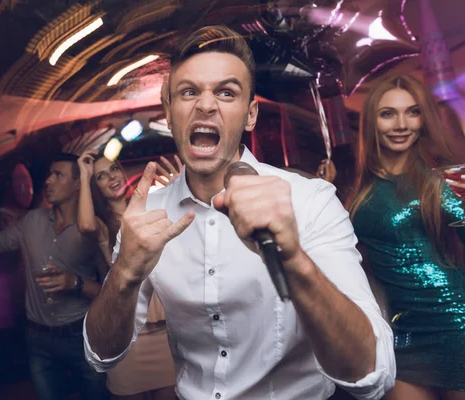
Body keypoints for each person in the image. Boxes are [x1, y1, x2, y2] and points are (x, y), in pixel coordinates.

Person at [83, 25, 395, 400]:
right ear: (169, 112)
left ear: (250, 116)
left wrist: (294, 259)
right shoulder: (145, 215)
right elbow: (100, 355)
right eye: (188, 92)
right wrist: (124, 274)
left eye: (226, 92)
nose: (205, 105)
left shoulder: (310, 200)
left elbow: (371, 376)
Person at [348, 74, 465, 400]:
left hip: (455, 322)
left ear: (423, 118)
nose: (401, 124)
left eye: (411, 112)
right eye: (388, 114)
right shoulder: (359, 186)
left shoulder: (436, 182)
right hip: (402, 334)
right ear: (371, 121)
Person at [0, 152, 108, 400]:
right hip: (38, 339)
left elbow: (111, 292)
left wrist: (75, 282)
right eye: (49, 174)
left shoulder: (93, 230)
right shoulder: (31, 221)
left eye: (58, 175)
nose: (48, 181)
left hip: (82, 336)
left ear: (79, 183)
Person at [77, 150, 181, 400]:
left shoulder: (154, 208)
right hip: (126, 338)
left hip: (167, 334)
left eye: (113, 169)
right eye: (101, 176)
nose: (111, 177)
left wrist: (178, 194)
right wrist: (83, 175)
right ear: (95, 188)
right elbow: (85, 225)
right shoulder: (103, 225)